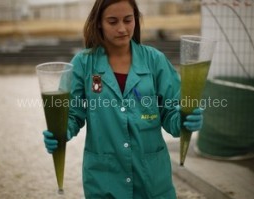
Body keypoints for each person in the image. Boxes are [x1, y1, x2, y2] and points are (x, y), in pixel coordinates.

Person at [43, 0, 203, 198]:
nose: (122, 28)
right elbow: (72, 114)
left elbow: (171, 115)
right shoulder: (83, 64)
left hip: (153, 181)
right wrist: (60, 132)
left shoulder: (155, 60)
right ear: (99, 22)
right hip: (104, 180)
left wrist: (186, 120)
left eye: (128, 20)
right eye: (112, 21)